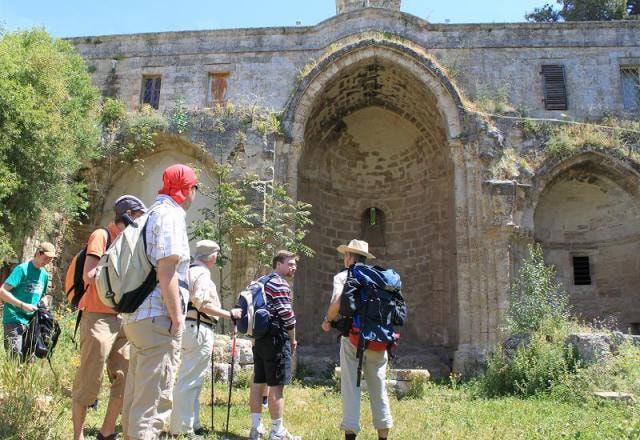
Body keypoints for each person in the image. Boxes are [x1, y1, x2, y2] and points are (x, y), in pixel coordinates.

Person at [121, 164, 198, 440]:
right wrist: (177, 319)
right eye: (195, 188)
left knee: (136, 399)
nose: (195, 194)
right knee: (153, 405)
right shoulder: (171, 215)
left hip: (137, 316)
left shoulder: (149, 214)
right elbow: (166, 271)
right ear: (187, 189)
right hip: (157, 318)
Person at [71, 195, 147, 440]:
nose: (142, 222)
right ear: (128, 214)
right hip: (98, 317)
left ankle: (107, 432)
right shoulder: (102, 236)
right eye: (139, 216)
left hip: (122, 318)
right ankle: (78, 436)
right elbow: (89, 275)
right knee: (89, 379)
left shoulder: (130, 242)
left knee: (125, 377)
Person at [321, 239, 393, 440]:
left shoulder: (344, 276)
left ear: (349, 257)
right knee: (379, 387)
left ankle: (351, 434)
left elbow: (337, 302)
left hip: (353, 339)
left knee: (350, 388)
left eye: (345, 254)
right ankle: (383, 434)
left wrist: (327, 321)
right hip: (379, 339)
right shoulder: (379, 278)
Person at [170, 239, 242, 437]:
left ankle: (193, 423)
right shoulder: (201, 273)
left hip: (189, 326)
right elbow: (201, 304)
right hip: (198, 327)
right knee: (190, 379)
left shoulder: (187, 270)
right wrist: (229, 314)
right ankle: (182, 428)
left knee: (192, 377)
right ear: (213, 256)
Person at [248, 250, 300, 440]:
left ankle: (255, 428)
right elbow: (287, 316)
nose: (294, 268)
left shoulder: (261, 281)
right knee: (276, 386)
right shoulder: (280, 283)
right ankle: (277, 432)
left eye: (295, 264)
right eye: (290, 264)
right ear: (278, 264)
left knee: (258, 382)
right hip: (276, 338)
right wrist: (292, 339)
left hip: (259, 338)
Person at [0, 242, 55, 359]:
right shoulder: (22, 269)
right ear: (38, 253)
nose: (47, 262)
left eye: (50, 259)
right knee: (15, 356)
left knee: (29, 359)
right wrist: (22, 305)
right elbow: (2, 292)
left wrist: (44, 300)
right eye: (46, 258)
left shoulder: (44, 275)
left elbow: (43, 295)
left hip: (33, 321)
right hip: (14, 318)